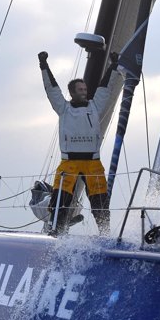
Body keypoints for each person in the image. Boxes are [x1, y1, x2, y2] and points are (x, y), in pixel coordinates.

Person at [38, 50, 123, 235]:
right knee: (60, 199)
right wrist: (44, 65)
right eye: (80, 90)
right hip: (69, 162)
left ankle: (105, 233)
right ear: (72, 92)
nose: (84, 93)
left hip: (92, 162)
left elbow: (105, 88)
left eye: (85, 90)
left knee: (99, 200)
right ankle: (57, 231)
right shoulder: (63, 108)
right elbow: (52, 89)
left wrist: (113, 66)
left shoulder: (95, 107)